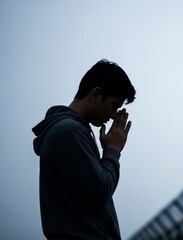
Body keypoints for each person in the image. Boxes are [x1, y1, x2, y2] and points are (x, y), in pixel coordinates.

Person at [32, 59, 136, 239]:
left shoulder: (71, 130)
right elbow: (99, 192)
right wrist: (113, 151)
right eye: (114, 106)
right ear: (96, 94)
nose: (113, 115)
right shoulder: (70, 132)